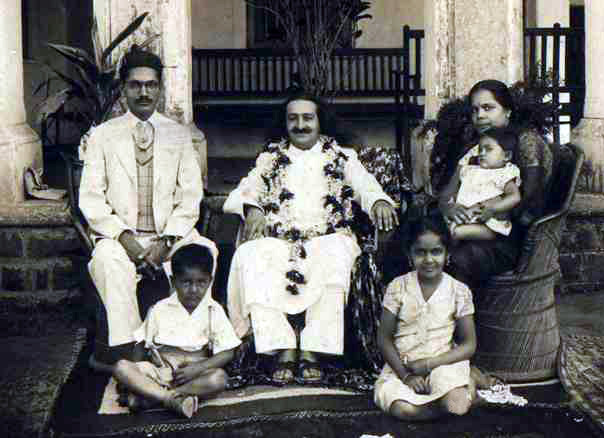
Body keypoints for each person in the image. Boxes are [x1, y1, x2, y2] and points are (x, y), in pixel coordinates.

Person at [224, 92, 398, 384]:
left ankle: (314, 352)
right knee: (250, 254)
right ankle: (282, 348)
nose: (301, 125)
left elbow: (366, 187)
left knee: (336, 252)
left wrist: (379, 201)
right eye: (293, 118)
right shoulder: (270, 158)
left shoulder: (342, 156)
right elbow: (241, 193)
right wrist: (252, 208)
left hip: (328, 236)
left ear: (320, 121)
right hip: (280, 239)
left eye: (308, 118)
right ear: (285, 123)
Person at [79, 45, 218, 363]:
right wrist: (125, 239)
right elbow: (91, 198)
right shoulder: (103, 136)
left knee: (206, 251)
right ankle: (132, 352)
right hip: (121, 237)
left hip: (170, 235)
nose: (144, 92)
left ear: (160, 88)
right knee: (107, 262)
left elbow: (190, 195)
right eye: (135, 84)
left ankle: (189, 347)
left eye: (151, 84)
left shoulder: (179, 135)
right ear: (124, 89)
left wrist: (167, 240)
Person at [437, 79, 553, 287]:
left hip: (505, 237)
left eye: (488, 108)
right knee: (422, 241)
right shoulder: (477, 146)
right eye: (475, 110)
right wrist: (450, 207)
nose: (479, 116)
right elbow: (448, 190)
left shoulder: (524, 141)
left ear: (507, 111)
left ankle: (459, 316)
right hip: (466, 226)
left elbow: (527, 199)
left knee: (456, 256)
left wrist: (479, 210)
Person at [113, 244, 240, 418]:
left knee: (219, 379)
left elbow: (227, 353)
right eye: (186, 282)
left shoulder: (213, 310)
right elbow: (141, 343)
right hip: (161, 371)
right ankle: (169, 398)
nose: (194, 290)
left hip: (194, 375)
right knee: (121, 367)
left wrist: (198, 368)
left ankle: (152, 397)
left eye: (201, 282)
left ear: (210, 281)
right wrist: (135, 371)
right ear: (173, 281)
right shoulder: (160, 309)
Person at [375, 216, 477, 420]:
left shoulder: (458, 290)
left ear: (447, 254)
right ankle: (452, 401)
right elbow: (384, 338)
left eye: (436, 252)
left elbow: (469, 345)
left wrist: (431, 364)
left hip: (442, 365)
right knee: (403, 409)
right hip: (402, 368)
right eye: (420, 252)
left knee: (456, 404)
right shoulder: (398, 287)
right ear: (410, 255)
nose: (429, 260)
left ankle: (462, 390)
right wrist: (406, 376)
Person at [446, 127, 521, 242]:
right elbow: (461, 190)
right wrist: (453, 203)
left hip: (489, 223)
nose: (482, 153)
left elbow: (515, 197)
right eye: (480, 150)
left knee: (454, 233)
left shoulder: (504, 174)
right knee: (443, 229)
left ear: (506, 156)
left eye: (488, 149)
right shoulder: (471, 170)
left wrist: (493, 209)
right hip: (465, 216)